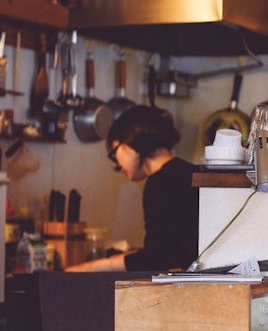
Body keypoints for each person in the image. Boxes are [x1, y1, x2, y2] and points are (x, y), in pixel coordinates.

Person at [66, 105, 199, 272]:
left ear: (130, 142)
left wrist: (90, 268)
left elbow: (156, 259)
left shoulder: (159, 183)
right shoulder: (191, 171)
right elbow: (169, 250)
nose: (117, 164)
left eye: (115, 152)